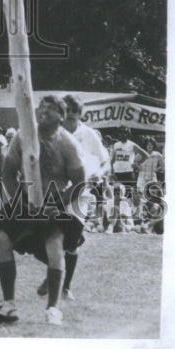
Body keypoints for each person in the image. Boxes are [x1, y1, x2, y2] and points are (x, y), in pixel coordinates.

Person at [0, 95, 85, 326]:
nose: (44, 111)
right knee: (2, 239)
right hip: (25, 199)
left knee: (54, 247)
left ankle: (53, 308)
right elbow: (8, 174)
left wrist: (56, 205)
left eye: (51, 109)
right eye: (41, 106)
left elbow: (80, 184)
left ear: (61, 117)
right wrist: (18, 201)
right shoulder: (23, 136)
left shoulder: (68, 143)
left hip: (56, 202)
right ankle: (8, 305)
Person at [37, 93, 110, 301]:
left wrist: (99, 173)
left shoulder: (89, 135)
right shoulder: (53, 134)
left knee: (73, 241)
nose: (69, 121)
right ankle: (56, 274)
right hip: (58, 189)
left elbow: (106, 162)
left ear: (79, 116)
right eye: (67, 116)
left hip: (81, 191)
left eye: (74, 117)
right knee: (53, 234)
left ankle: (64, 285)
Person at [109, 126, 148, 202]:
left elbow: (146, 155)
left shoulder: (132, 145)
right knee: (117, 197)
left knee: (130, 197)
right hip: (117, 174)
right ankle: (119, 213)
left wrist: (137, 163)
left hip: (128, 174)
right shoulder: (116, 145)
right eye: (121, 133)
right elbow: (112, 161)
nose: (122, 135)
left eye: (124, 133)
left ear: (128, 134)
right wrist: (111, 173)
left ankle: (131, 213)